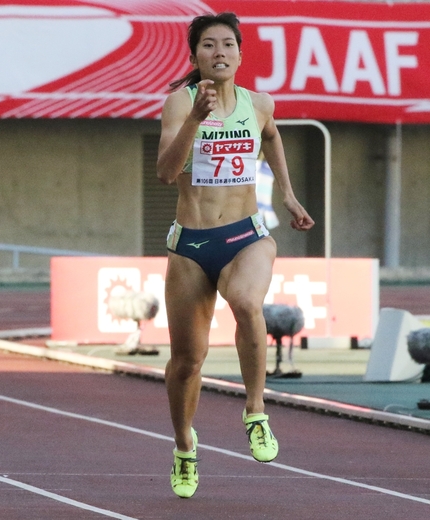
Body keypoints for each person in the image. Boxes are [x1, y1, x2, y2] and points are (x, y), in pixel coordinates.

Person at [157, 12, 314, 498]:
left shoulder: (260, 103)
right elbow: (165, 172)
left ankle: (255, 411)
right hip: (192, 244)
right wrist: (199, 118)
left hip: (246, 235)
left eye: (228, 44)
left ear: (241, 54)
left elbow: (272, 136)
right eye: (208, 45)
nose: (219, 52)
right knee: (188, 360)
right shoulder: (178, 104)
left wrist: (287, 194)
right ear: (195, 56)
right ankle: (185, 446)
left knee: (247, 303)